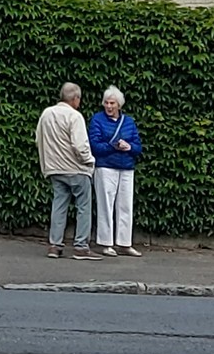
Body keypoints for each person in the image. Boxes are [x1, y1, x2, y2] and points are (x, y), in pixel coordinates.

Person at [36, 82, 93, 258]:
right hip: (76, 169)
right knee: (83, 206)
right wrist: (90, 161)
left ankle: (55, 245)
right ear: (75, 98)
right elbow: (80, 145)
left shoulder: (46, 113)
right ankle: (81, 246)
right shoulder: (75, 116)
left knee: (59, 205)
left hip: (54, 168)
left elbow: (39, 140)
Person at [88, 87, 142, 257]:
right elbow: (94, 145)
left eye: (112, 103)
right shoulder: (97, 119)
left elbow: (138, 147)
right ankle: (106, 243)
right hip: (105, 167)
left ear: (119, 105)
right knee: (106, 205)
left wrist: (129, 147)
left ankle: (125, 243)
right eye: (106, 103)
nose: (109, 106)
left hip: (126, 167)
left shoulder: (129, 122)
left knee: (125, 205)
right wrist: (113, 145)